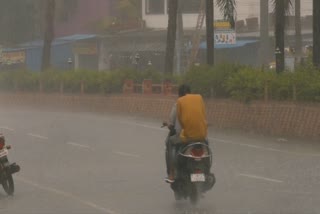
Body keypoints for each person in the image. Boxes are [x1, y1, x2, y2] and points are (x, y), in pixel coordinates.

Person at [165, 84, 208, 183]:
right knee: (206, 145)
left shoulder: (178, 103)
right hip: (201, 135)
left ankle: (172, 173)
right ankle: (207, 170)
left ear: (179, 94)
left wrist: (171, 126)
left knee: (171, 143)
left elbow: (176, 121)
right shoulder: (199, 99)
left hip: (187, 136)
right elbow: (203, 116)